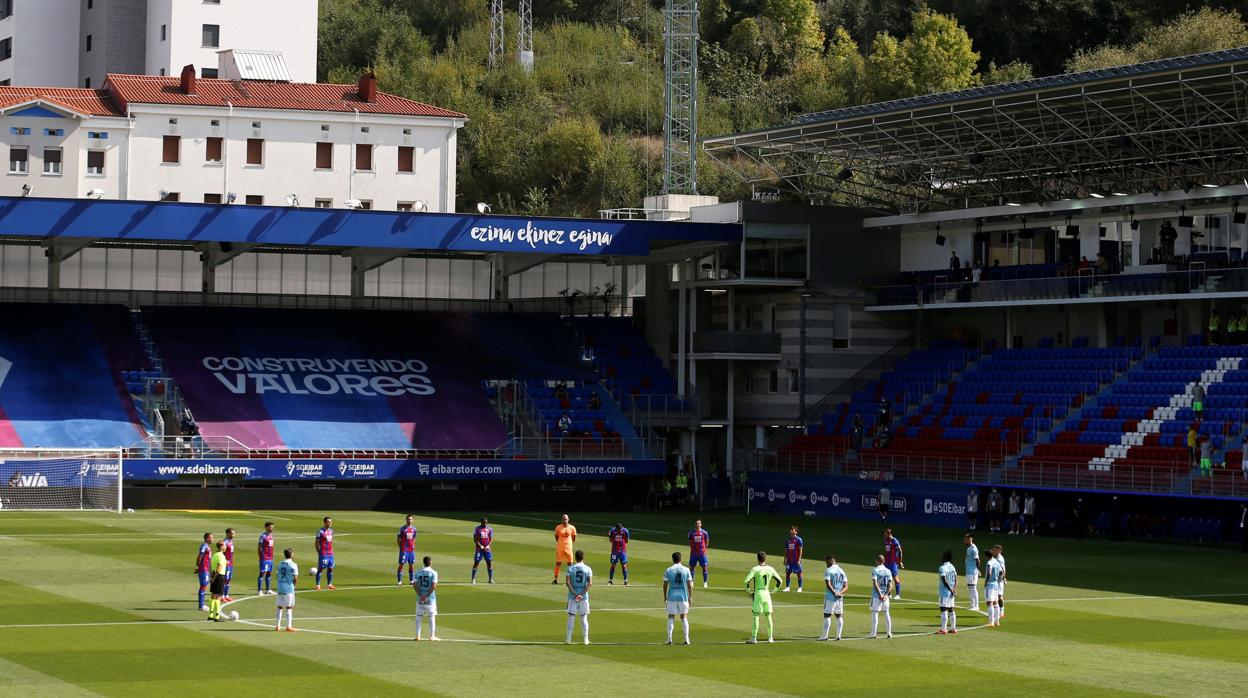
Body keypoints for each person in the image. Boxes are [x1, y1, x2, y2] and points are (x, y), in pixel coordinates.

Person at [743, 550, 782, 644]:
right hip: (767, 593)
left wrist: (749, 592)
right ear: (766, 558)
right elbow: (780, 581)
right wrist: (774, 591)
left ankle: (754, 638)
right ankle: (770, 638)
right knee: (768, 616)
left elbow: (746, 581)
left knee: (756, 616)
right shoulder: (770, 569)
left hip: (758, 593)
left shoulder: (755, 569)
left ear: (757, 559)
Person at [662, 551, 693, 645]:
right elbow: (690, 585)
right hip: (683, 596)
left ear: (673, 559)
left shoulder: (668, 570)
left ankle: (669, 639)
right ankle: (686, 639)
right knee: (683, 616)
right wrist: (690, 597)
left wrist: (665, 597)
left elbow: (665, 585)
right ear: (680, 559)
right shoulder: (686, 570)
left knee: (671, 617)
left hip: (672, 596)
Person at [564, 550, 593, 645]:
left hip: (572, 597)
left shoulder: (570, 568)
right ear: (583, 558)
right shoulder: (588, 569)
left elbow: (567, 582)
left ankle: (568, 639)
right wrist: (581, 594)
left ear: (575, 558)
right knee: (584, 617)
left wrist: (575, 594)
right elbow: (590, 583)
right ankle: (586, 640)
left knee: (571, 617)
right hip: (584, 598)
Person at [819, 556, 848, 641]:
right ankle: (838, 635)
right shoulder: (842, 571)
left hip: (830, 597)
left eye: (827, 563)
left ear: (831, 561)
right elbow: (846, 586)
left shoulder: (828, 570)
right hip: (840, 598)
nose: (826, 565)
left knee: (827, 615)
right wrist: (840, 593)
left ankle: (825, 636)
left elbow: (828, 584)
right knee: (839, 616)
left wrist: (834, 593)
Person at [412, 555, 440, 641]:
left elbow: (414, 585)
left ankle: (418, 636)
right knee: (431, 616)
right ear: (430, 562)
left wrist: (421, 595)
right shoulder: (434, 573)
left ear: (423, 563)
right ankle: (432, 636)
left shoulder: (417, 572)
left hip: (420, 598)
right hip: (430, 599)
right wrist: (427, 596)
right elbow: (433, 586)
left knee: (418, 616)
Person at [869, 554, 894, 639]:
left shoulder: (875, 570)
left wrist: (880, 594)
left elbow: (875, 583)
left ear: (877, 561)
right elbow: (890, 585)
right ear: (884, 561)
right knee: (886, 613)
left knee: (875, 613)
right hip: (885, 597)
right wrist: (886, 594)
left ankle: (873, 633)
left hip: (877, 596)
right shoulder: (888, 571)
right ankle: (889, 633)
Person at [275, 548, 298, 632]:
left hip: (280, 587)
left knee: (279, 607)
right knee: (289, 607)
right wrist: (294, 585)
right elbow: (295, 578)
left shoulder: (280, 564)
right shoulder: (293, 565)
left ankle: (277, 626)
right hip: (288, 588)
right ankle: (288, 626)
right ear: (291, 555)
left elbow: (277, 575)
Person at [937, 550, 958, 635]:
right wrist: (954, 589)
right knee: (951, 609)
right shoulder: (952, 567)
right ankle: (953, 629)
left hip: (945, 592)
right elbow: (956, 579)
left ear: (945, 557)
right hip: (951, 592)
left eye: (943, 556)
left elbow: (944, 581)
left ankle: (943, 629)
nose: (941, 557)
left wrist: (950, 590)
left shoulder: (942, 568)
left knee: (943, 609)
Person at [208, 540, 228, 622]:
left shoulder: (214, 555)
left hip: (213, 574)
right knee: (219, 596)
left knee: (213, 595)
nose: (226, 547)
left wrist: (211, 577)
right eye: (224, 545)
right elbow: (219, 567)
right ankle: (217, 616)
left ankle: (210, 615)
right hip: (219, 576)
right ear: (221, 547)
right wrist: (214, 577)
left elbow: (210, 566)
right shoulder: (221, 556)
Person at [553, 514, 577, 584]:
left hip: (569, 548)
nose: (565, 520)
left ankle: (571, 580)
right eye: (564, 519)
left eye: (566, 519)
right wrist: (561, 543)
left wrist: (568, 543)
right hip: (560, 548)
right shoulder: (558, 527)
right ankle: (555, 579)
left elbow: (574, 538)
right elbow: (556, 537)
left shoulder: (572, 528)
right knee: (558, 563)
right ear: (562, 520)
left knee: (570, 564)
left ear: (568, 519)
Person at [472, 517, 495, 584]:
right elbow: (475, 539)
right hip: (479, 549)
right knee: (476, 563)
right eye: (484, 523)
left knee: (489, 563)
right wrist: (481, 546)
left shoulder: (490, 529)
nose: (485, 524)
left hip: (487, 549)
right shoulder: (477, 529)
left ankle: (490, 579)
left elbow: (491, 538)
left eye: (486, 523)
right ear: (481, 522)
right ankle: (473, 578)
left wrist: (488, 545)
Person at [985, 546, 1004, 627]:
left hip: (990, 585)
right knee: (996, 603)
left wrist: (986, 582)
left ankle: (991, 622)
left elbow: (989, 573)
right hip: (996, 584)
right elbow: (1001, 572)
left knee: (989, 603)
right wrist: (998, 579)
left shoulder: (989, 563)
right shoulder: (996, 562)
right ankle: (997, 621)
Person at [314, 516, 335, 591]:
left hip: (330, 553)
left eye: (330, 522)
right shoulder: (320, 531)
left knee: (330, 568)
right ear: (324, 522)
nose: (330, 523)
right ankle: (317, 585)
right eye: (328, 522)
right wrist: (319, 551)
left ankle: (329, 584)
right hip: (323, 553)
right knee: (321, 569)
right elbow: (316, 542)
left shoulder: (331, 531)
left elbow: (330, 542)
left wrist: (332, 550)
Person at [688, 519, 710, 588]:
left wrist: (704, 549)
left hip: (702, 553)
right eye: (696, 523)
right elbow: (690, 541)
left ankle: (705, 583)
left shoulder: (704, 532)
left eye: (699, 523)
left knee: (705, 567)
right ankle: (691, 582)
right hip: (694, 553)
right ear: (695, 524)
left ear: (701, 524)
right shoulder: (691, 533)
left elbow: (707, 541)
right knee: (691, 567)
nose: (698, 524)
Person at [195, 532, 214, 611]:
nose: (212, 539)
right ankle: (201, 606)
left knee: (204, 586)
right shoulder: (204, 546)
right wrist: (198, 567)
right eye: (211, 538)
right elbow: (200, 556)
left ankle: (202, 605)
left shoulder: (207, 547)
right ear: (207, 538)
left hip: (206, 569)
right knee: (203, 586)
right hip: (203, 569)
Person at [883, 528, 904, 599]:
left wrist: (900, 561)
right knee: (887, 578)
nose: (884, 536)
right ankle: (889, 594)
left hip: (893, 563)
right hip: (886, 562)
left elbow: (900, 551)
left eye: (885, 534)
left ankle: (898, 595)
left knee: (895, 578)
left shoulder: (895, 541)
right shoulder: (886, 541)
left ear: (889, 534)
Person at [397, 514, 418, 586]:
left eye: (411, 519)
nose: (410, 520)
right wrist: (401, 548)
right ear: (406, 520)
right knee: (401, 564)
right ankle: (399, 581)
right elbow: (398, 539)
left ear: (412, 520)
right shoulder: (402, 529)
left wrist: (413, 545)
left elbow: (414, 538)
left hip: (411, 550)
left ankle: (411, 580)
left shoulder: (414, 529)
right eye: (408, 519)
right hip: (404, 550)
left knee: (411, 565)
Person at [782, 526, 804, 592]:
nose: (791, 530)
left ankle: (800, 587)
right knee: (787, 573)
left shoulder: (798, 540)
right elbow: (786, 550)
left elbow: (800, 550)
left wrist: (799, 559)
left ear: (796, 532)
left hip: (796, 560)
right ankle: (787, 587)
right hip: (789, 560)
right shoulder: (787, 540)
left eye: (792, 530)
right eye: (791, 529)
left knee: (799, 573)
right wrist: (785, 559)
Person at [257, 521, 275, 596]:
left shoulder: (271, 536)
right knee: (262, 573)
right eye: (270, 527)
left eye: (272, 527)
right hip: (264, 558)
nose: (272, 528)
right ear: (266, 527)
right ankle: (259, 591)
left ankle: (268, 589)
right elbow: (259, 547)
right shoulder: (263, 536)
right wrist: (261, 556)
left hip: (270, 557)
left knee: (269, 573)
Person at [964, 533, 981, 611]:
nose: (964, 540)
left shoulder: (974, 548)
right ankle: (972, 604)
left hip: (972, 572)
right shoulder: (969, 548)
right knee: (970, 588)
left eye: (966, 539)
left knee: (973, 588)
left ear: (969, 539)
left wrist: (977, 569)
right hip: (968, 571)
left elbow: (977, 560)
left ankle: (977, 605)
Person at [221, 528, 235, 602]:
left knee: (228, 579)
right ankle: (222, 596)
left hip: (231, 563)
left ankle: (226, 595)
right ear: (228, 533)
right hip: (226, 564)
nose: (234, 535)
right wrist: (224, 562)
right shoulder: (225, 542)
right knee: (225, 580)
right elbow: (221, 553)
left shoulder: (231, 541)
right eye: (232, 533)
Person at [995, 544, 1008, 619]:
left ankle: (1002, 612)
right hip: (995, 580)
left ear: (999, 551)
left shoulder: (1000, 559)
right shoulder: (995, 557)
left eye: (995, 550)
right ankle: (997, 612)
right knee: (996, 596)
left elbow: (1003, 570)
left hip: (999, 580)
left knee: (999, 596)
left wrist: (1003, 578)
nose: (994, 551)